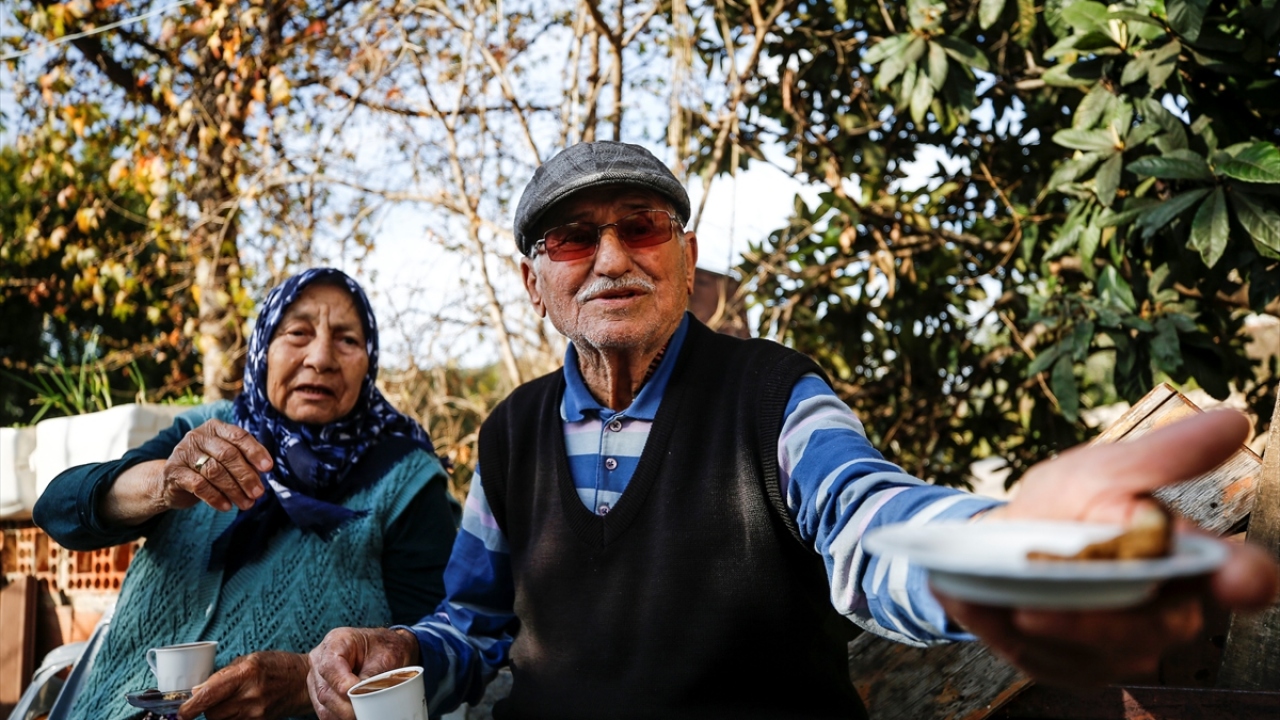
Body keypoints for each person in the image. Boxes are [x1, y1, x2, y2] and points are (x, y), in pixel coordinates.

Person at [306, 142, 1280, 719]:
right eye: (572, 237)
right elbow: (476, 623)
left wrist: (994, 555)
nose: (610, 257)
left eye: (640, 226)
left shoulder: (772, 394)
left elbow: (867, 522)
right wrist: (401, 647)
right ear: (534, 284)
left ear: (684, 259)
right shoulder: (509, 431)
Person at [34, 268, 459, 720]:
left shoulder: (405, 479)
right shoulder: (204, 434)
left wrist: (305, 680)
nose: (321, 357)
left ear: (368, 362)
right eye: (297, 332)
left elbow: (433, 654)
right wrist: (164, 483)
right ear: (263, 350)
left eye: (348, 341)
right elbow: (58, 511)